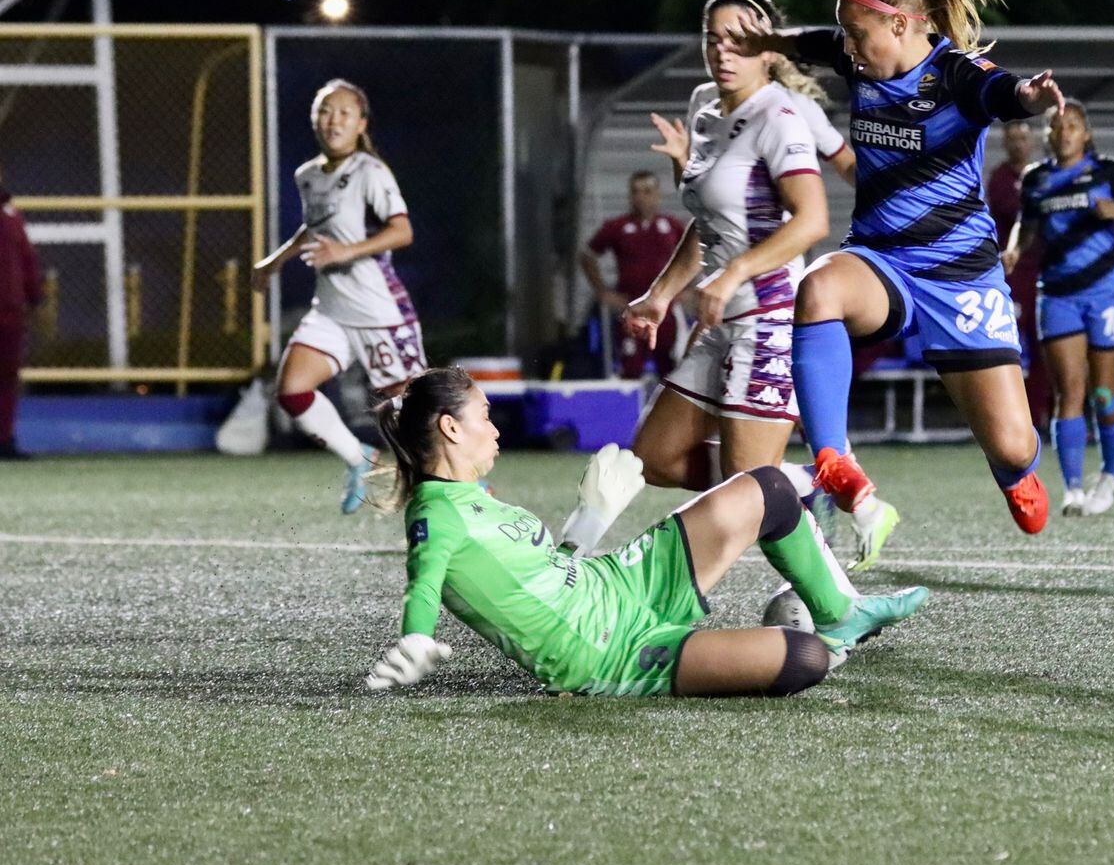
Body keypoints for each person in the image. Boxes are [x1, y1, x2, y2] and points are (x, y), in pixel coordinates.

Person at [725, 0, 1068, 557]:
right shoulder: (859, 60)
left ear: (903, 26)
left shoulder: (956, 73)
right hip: (882, 262)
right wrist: (769, 38)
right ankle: (833, 461)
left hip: (960, 277)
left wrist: (1030, 96)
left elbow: (1002, 91)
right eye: (848, 36)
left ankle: (1014, 472)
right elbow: (816, 43)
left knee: (1013, 445)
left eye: (859, 35)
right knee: (820, 287)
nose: (850, 50)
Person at [363, 367, 928, 698]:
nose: (494, 427)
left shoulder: (472, 496)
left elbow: (538, 583)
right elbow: (425, 580)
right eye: (484, 415)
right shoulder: (434, 512)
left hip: (619, 585)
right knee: (806, 661)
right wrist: (415, 637)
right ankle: (822, 635)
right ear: (450, 427)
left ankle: (841, 612)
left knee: (770, 488)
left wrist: (590, 521)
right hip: (610, 655)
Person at [620, 0, 832, 508]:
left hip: (769, 315)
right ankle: (803, 487)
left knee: (747, 483)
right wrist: (661, 295)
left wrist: (734, 273)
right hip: (719, 321)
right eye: (712, 39)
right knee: (654, 457)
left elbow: (812, 221)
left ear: (767, 46)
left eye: (738, 39)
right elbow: (708, 221)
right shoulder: (702, 107)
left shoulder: (780, 116)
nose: (722, 50)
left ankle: (827, 581)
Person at [252, 79, 424, 513]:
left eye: (344, 113)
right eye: (325, 111)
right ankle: (358, 458)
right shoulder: (307, 175)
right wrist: (272, 263)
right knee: (292, 390)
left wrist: (345, 251)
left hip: (377, 309)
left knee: (413, 412)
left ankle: (471, 492)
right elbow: (314, 228)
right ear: (315, 120)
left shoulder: (371, 171)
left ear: (360, 123)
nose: (334, 120)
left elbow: (401, 231)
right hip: (330, 309)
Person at [1003, 102, 1114, 516]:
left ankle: (1110, 474)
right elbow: (1028, 221)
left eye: (1072, 125)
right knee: (1068, 392)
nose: (1063, 132)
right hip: (1057, 294)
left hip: (1109, 292)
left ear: (1086, 133)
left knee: (1104, 393)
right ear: (1047, 135)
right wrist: (1015, 248)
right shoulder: (1036, 178)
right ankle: (1073, 490)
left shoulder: (1111, 172)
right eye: (1055, 126)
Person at [581, 171, 686, 378]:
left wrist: (685, 289)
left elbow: (692, 255)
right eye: (636, 192)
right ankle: (630, 408)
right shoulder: (618, 227)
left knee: (670, 366)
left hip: (663, 309)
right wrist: (603, 291)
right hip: (632, 308)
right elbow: (588, 255)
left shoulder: (671, 226)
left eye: (647, 191)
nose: (641, 197)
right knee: (630, 366)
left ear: (657, 195)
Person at [986, 121, 1050, 428]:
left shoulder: (1044, 175)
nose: (1018, 144)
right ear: (1004, 144)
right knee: (1007, 347)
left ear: (1032, 141)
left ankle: (1037, 418)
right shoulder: (1001, 179)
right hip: (1013, 275)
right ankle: (1006, 421)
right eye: (1012, 139)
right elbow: (1017, 213)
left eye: (1023, 138)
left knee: (1045, 348)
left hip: (1045, 273)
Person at [0, 165, 44, 459]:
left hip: (8, 311)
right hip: (9, 309)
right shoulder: (10, 217)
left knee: (6, 377)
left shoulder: (11, 216)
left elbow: (27, 259)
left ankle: (3, 439)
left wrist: (34, 295)